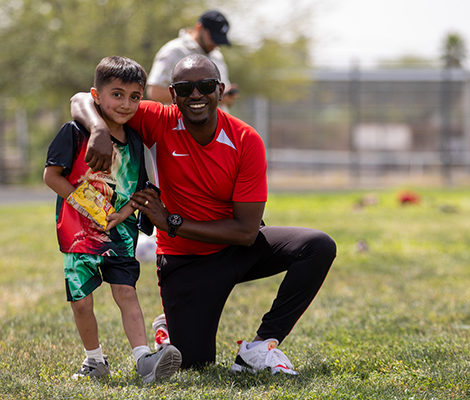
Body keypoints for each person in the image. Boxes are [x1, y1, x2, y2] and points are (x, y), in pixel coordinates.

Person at [70, 54, 336, 373]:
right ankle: (169, 326)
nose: (196, 95)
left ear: (220, 90)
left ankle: (261, 347)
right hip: (185, 262)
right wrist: (98, 128)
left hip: (237, 248)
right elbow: (82, 98)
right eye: (185, 88)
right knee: (195, 363)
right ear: (173, 95)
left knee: (317, 246)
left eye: (206, 85)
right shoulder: (161, 120)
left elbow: (246, 232)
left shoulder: (245, 139)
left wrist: (171, 222)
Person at [44, 56, 182, 383]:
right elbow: (51, 176)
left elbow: (140, 188)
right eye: (117, 94)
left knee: (127, 292)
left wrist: (122, 213)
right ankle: (95, 361)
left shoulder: (135, 141)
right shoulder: (75, 132)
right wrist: (89, 206)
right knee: (82, 302)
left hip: (120, 235)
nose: (126, 104)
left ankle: (144, 359)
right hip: (79, 235)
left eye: (135, 96)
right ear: (97, 95)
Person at [146, 10, 239, 110]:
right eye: (213, 37)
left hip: (217, 124)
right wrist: (200, 96)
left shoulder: (217, 55)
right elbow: (154, 92)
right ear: (199, 28)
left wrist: (226, 98)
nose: (216, 44)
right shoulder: (174, 50)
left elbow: (223, 101)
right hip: (182, 124)